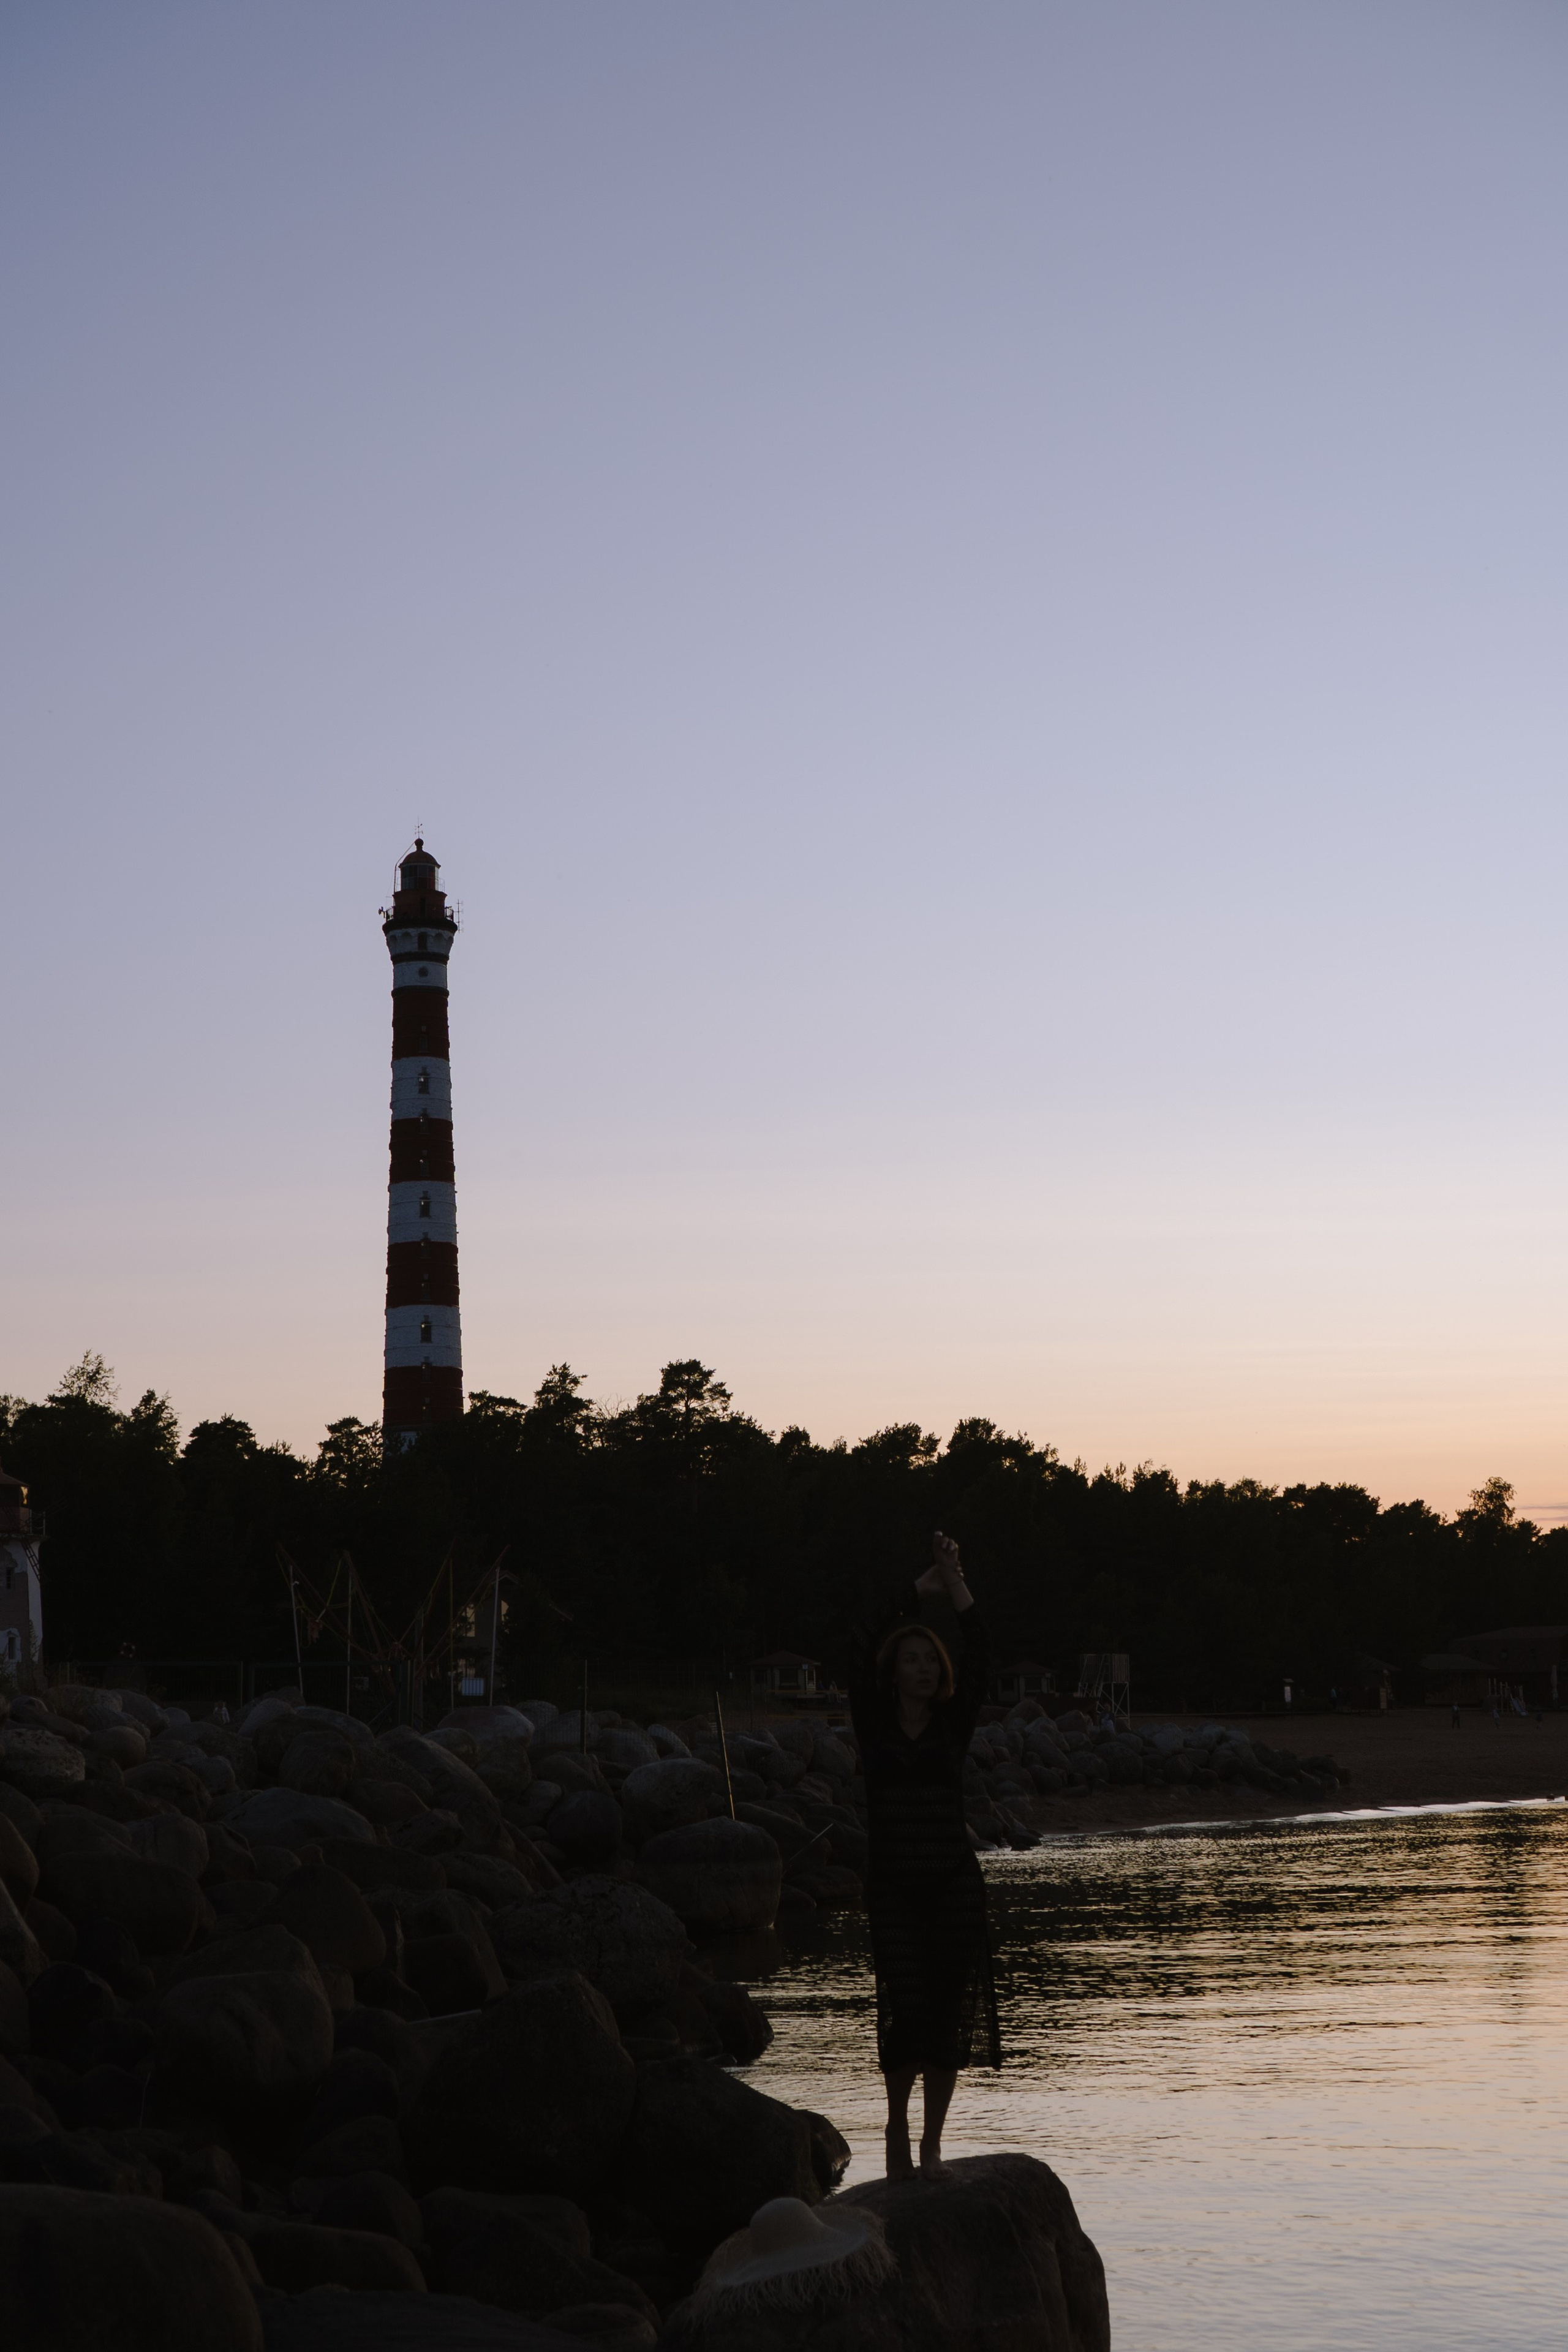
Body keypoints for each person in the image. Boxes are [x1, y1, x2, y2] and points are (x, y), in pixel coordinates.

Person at [847, 1528, 1000, 2182]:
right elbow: (858, 1640)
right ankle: (896, 2124)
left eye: (931, 1661)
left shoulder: (951, 1723)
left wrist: (956, 1582)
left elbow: (983, 1649)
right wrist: (921, 1588)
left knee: (945, 2018)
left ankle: (933, 2142)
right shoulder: (873, 1719)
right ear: (894, 1669)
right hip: (892, 1886)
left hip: (951, 1885)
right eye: (912, 1659)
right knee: (902, 2008)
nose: (924, 1667)